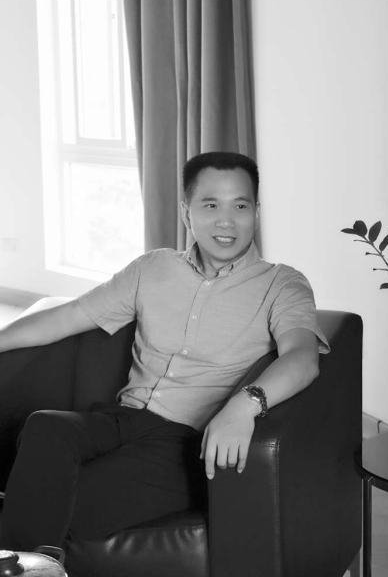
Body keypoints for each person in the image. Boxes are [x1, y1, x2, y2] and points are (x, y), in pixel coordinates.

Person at [0, 151, 330, 551]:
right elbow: (69, 316)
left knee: (60, 501)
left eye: (240, 206)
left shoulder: (282, 284)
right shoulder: (153, 268)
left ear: (256, 212)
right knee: (45, 426)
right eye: (210, 205)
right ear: (187, 213)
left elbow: (302, 357)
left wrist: (245, 404)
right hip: (121, 419)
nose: (226, 221)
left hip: (184, 443)